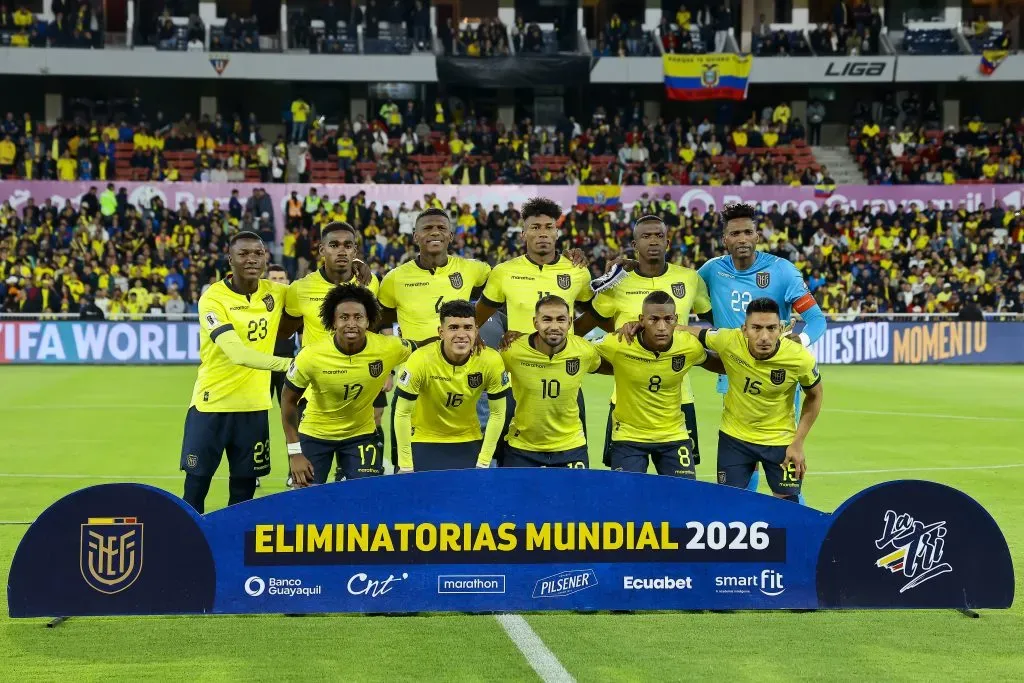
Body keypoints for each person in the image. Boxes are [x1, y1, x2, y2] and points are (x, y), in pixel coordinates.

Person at [697, 203, 826, 497]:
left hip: (775, 375)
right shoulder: (712, 270)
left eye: (748, 232)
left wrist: (801, 342)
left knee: (783, 459)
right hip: (734, 372)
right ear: (725, 239)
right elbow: (679, 295)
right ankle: (751, 529)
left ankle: (795, 522)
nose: (742, 238)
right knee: (744, 458)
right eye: (735, 233)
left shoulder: (781, 271)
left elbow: (817, 319)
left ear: (757, 237)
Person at [577, 214, 711, 468]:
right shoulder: (617, 283)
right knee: (626, 493)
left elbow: (714, 320)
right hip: (627, 403)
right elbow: (585, 324)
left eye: (659, 236)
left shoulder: (690, 278)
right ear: (635, 244)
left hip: (679, 399)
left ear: (668, 243)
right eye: (645, 236)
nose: (653, 241)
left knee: (680, 493)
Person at [179, 231, 292, 513]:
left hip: (253, 407)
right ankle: (187, 544)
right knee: (196, 485)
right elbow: (238, 354)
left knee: (243, 491)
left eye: (258, 253)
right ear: (230, 260)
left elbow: (319, 294)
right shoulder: (213, 298)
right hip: (212, 405)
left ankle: (233, 549)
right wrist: (290, 364)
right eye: (244, 254)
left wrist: (355, 271)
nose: (252, 259)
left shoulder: (277, 293)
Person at [377, 208, 491, 469]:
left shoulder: (473, 269)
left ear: (451, 235)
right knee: (408, 464)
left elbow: (506, 288)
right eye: (427, 228)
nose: (435, 232)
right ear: (415, 236)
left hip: (463, 380)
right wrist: (388, 369)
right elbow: (381, 322)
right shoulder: (395, 278)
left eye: (441, 227)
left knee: (466, 463)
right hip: (415, 380)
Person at [691, 298, 823, 501]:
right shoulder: (729, 339)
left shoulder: (799, 358)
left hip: (781, 442)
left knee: (788, 508)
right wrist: (639, 325)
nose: (764, 336)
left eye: (771, 328)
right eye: (756, 328)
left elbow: (815, 395)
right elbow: (688, 330)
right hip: (734, 439)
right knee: (729, 506)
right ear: (744, 329)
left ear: (780, 329)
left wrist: (798, 443)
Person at [281, 284, 413, 486]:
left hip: (360, 435)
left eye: (358, 317)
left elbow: (423, 347)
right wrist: (294, 453)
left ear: (368, 320)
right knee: (303, 501)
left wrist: (460, 339)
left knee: (363, 500)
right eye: (344, 318)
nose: (351, 323)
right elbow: (288, 401)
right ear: (333, 322)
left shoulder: (388, 347)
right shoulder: (311, 355)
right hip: (316, 434)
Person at [597, 291, 723, 476]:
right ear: (641, 320)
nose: (662, 326)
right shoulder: (619, 343)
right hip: (628, 436)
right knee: (625, 498)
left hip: (673, 436)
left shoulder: (689, 346)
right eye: (653, 319)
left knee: (683, 497)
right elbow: (580, 355)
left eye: (668, 319)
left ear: (676, 319)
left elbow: (721, 363)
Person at [393, 300, 509, 471]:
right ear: (441, 332)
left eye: (467, 327)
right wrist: (405, 465)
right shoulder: (421, 359)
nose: (461, 334)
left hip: (468, 439)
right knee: (417, 496)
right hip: (423, 438)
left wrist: (484, 462)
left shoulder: (490, 360)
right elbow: (402, 413)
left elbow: (498, 414)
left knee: (471, 496)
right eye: (454, 328)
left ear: (476, 331)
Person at [499, 295, 601, 468]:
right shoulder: (512, 352)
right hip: (522, 447)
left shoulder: (585, 351)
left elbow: (604, 365)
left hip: (571, 446)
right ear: (535, 322)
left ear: (569, 322)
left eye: (561, 320)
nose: (554, 327)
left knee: (574, 496)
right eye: (547, 319)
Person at [267, 264, 294, 407]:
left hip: (288, 365)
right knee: (259, 409)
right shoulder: (257, 305)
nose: (278, 282)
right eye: (274, 278)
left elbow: (303, 338)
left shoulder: (295, 305)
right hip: (263, 364)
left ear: (287, 281)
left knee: (290, 409)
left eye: (281, 278)